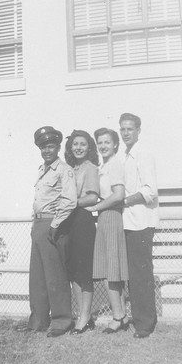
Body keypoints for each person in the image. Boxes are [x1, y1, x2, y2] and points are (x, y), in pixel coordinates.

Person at [16, 126, 77, 337]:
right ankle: (38, 320)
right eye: (43, 147)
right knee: (38, 277)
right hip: (39, 225)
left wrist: (55, 224)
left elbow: (69, 200)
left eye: (50, 146)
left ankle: (61, 321)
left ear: (58, 147)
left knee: (55, 276)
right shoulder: (42, 170)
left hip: (54, 225)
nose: (47, 150)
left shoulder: (64, 170)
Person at [119, 113, 159, 338]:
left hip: (141, 223)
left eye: (130, 129)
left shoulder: (143, 154)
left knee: (141, 274)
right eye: (123, 129)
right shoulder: (124, 156)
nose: (126, 133)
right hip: (129, 222)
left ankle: (145, 324)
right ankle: (140, 318)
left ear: (138, 131)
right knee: (133, 274)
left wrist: (123, 201)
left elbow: (150, 191)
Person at [86, 128, 129, 334]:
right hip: (105, 218)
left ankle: (118, 316)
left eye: (107, 142)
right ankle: (121, 314)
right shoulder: (104, 166)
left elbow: (119, 194)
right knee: (107, 269)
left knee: (109, 270)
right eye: (100, 142)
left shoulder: (115, 165)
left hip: (111, 216)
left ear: (115, 145)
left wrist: (95, 207)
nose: (103, 146)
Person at [64, 130, 100, 334]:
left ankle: (85, 316)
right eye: (75, 144)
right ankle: (82, 315)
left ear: (89, 148)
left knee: (84, 272)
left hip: (82, 222)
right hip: (69, 222)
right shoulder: (70, 169)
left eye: (83, 144)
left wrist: (70, 203)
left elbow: (93, 198)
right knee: (74, 272)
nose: (78, 147)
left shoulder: (90, 168)